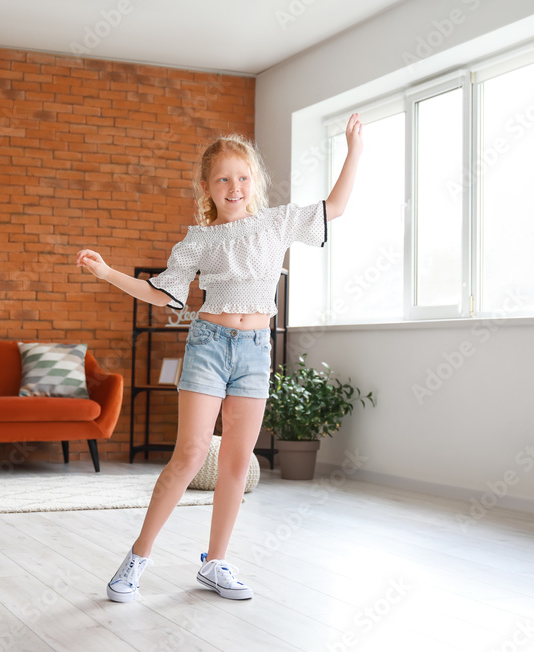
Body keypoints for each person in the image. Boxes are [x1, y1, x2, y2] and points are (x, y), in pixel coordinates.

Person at [76, 113, 363, 602]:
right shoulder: (199, 240)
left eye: (243, 177)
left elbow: (335, 206)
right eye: (223, 179)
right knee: (189, 454)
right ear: (207, 187)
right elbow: (161, 295)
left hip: (255, 351)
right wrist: (107, 274)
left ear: (255, 183)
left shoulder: (276, 223)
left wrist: (354, 149)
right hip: (209, 345)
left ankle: (216, 563)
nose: (235, 187)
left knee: (236, 460)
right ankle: (136, 559)